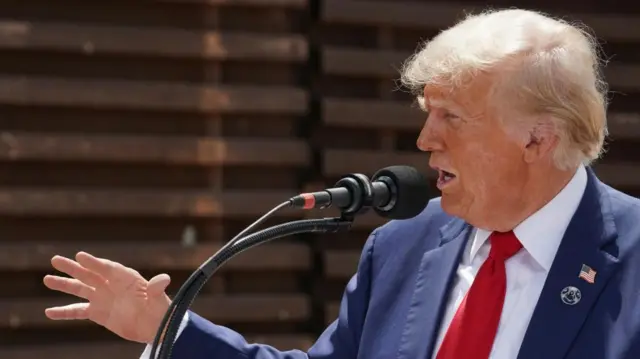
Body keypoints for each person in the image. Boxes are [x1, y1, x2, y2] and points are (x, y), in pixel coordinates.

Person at [43, 8, 640, 359]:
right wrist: (167, 328)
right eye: (426, 114)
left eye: (451, 119)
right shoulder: (403, 245)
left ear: (536, 139)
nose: (425, 141)